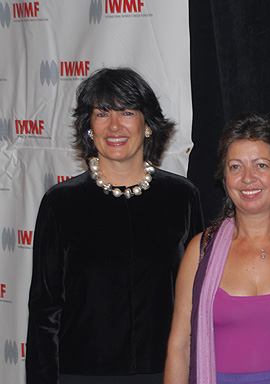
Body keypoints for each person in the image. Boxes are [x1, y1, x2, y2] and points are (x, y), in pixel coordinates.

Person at [26, 67, 204, 384]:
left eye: (127, 111)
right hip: (81, 374)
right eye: (102, 113)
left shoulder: (182, 198)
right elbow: (44, 312)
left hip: (165, 372)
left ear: (147, 124)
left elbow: (198, 300)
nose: (114, 125)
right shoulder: (61, 203)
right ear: (89, 127)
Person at [164, 112, 270, 384]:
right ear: (224, 177)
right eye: (235, 167)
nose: (248, 178)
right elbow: (180, 346)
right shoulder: (199, 251)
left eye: (261, 165)